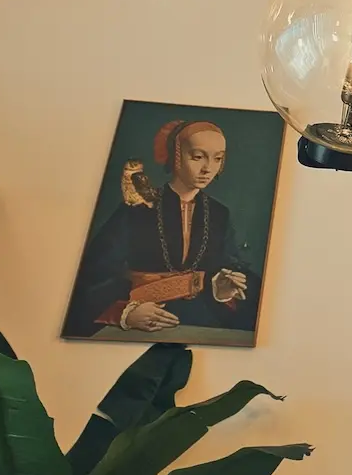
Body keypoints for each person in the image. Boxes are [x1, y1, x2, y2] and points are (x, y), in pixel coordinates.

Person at [64, 119, 260, 338]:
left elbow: (229, 267)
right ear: (176, 156)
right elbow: (94, 275)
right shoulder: (138, 208)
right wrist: (124, 313)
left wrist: (222, 291)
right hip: (140, 322)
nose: (207, 168)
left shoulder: (219, 213)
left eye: (217, 159)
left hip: (201, 322)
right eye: (197, 157)